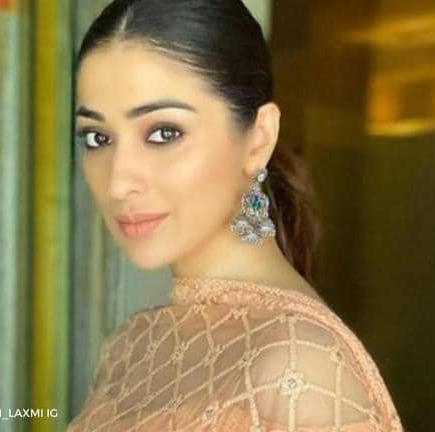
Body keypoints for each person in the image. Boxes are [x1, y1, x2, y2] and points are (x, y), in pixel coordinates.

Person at [65, 1, 403, 431]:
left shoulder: (302, 367)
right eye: (97, 138)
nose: (117, 182)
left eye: (164, 133)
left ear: (258, 140)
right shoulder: (130, 348)